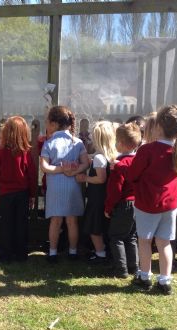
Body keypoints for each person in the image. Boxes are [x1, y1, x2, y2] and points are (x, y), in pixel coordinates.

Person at [128, 105, 177, 295]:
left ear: (158, 126)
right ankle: (165, 281)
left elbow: (133, 174)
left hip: (147, 202)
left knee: (144, 241)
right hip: (170, 204)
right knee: (164, 242)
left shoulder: (147, 150)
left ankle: (144, 277)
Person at [40, 106, 89, 263]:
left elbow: (44, 167)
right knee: (72, 221)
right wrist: (73, 172)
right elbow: (86, 163)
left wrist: (60, 169)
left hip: (55, 186)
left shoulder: (49, 143)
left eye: (47, 122)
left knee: (55, 221)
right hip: (72, 185)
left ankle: (53, 253)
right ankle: (73, 252)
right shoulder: (78, 143)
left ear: (54, 124)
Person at [0, 116, 37, 263]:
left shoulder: (0, 152)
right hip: (22, 193)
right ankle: (21, 253)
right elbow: (32, 175)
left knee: (6, 224)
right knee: (21, 223)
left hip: (6, 194)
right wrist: (32, 195)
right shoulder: (25, 153)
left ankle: (5, 253)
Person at [104, 123, 142, 278]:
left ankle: (121, 269)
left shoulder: (120, 164)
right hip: (137, 203)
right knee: (131, 236)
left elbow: (115, 189)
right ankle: (134, 266)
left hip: (123, 204)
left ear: (120, 143)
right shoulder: (138, 161)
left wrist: (108, 207)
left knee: (116, 237)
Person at [76, 121, 117, 263]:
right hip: (106, 197)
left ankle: (100, 254)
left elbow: (101, 178)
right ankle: (106, 251)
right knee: (104, 226)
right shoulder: (111, 155)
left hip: (97, 198)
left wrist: (85, 178)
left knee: (94, 228)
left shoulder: (99, 158)